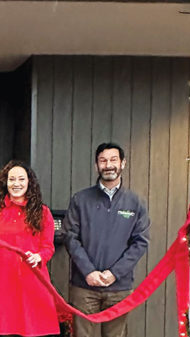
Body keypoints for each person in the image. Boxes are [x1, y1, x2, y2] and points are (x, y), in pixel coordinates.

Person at [63, 143, 150, 337]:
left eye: (113, 160)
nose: (108, 165)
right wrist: (89, 271)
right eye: (103, 160)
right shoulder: (80, 199)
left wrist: (114, 273)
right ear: (96, 166)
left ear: (123, 163)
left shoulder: (135, 202)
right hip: (84, 287)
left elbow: (140, 242)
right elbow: (70, 237)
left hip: (119, 288)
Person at [0, 160, 58, 336]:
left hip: (32, 284)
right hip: (1, 286)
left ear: (29, 183)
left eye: (21, 179)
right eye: (12, 179)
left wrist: (39, 256)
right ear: (5, 182)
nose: (16, 184)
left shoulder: (43, 213)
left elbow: (48, 247)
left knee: (32, 331)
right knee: (3, 331)